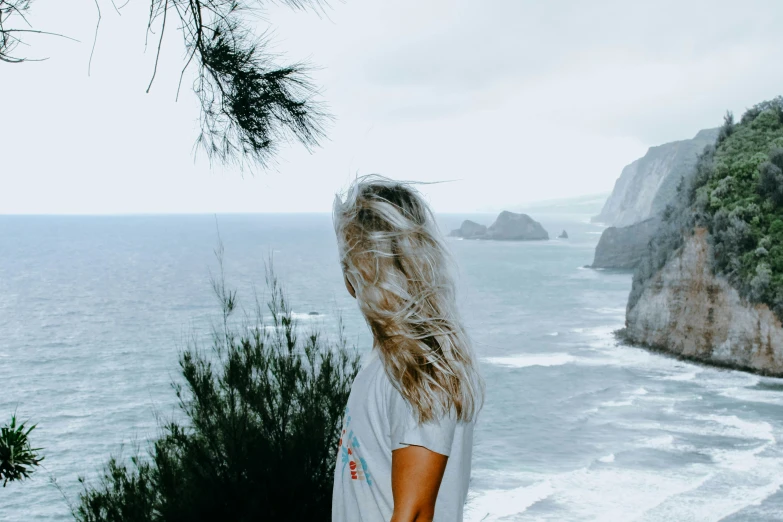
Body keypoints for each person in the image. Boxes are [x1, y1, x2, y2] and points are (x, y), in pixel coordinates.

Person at [332, 176, 484, 522]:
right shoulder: (393, 364)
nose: (344, 263)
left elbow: (415, 514)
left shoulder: (420, 369)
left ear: (364, 266)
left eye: (350, 252)